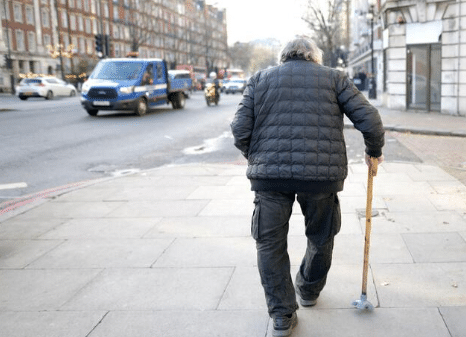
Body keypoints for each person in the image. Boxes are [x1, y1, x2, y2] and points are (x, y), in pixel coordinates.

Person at [230, 37, 384, 337]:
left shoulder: (260, 79)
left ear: (282, 57)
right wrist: (373, 150)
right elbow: (371, 120)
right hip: (321, 176)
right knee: (322, 234)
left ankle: (282, 317)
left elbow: (239, 128)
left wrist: (256, 156)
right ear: (315, 57)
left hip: (270, 178)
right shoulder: (334, 78)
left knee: (269, 244)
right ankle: (309, 289)